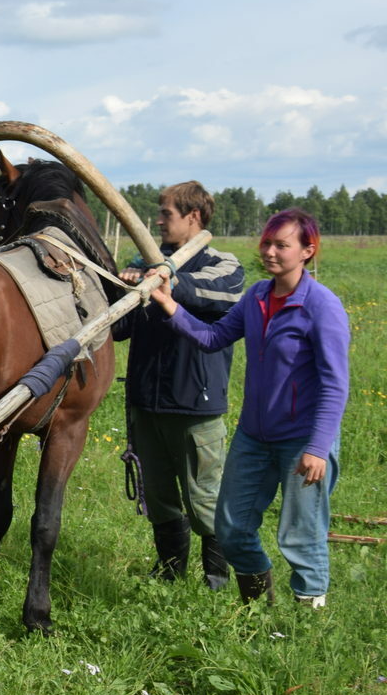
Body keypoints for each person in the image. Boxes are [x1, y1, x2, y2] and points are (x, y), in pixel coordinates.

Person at [148, 207, 349, 606]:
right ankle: (258, 610)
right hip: (254, 437)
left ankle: (308, 625)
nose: (270, 251)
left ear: (307, 251)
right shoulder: (257, 296)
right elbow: (213, 337)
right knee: (231, 526)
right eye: (266, 243)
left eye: (282, 245)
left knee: (300, 534)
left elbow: (335, 383)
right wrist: (170, 306)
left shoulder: (322, 307)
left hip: (302, 441)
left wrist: (317, 448)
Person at [115, 182, 244, 588]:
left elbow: (217, 296)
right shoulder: (146, 262)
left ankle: (216, 580)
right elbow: (119, 329)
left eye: (166, 213)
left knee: (205, 499)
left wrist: (166, 280)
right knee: (159, 498)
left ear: (194, 216)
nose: (157, 220)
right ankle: (170, 573)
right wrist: (123, 287)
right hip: (146, 401)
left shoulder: (224, 264)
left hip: (195, 403)